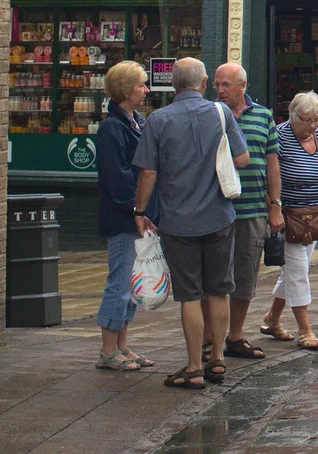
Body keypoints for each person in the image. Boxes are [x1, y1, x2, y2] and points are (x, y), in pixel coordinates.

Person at [132, 57, 250, 391]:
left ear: (173, 85)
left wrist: (140, 211)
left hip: (178, 221)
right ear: (203, 84)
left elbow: (148, 172)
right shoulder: (221, 113)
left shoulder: (157, 120)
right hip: (219, 216)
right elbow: (242, 159)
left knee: (190, 295)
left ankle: (195, 367)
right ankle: (219, 361)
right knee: (219, 288)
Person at [216, 63, 279, 362]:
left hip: (253, 208)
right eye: (216, 84)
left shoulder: (263, 116)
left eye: (226, 85)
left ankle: (235, 336)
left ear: (242, 85)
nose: (220, 90)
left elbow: (272, 163)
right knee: (214, 278)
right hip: (215, 209)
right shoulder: (211, 114)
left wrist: (275, 205)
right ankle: (209, 340)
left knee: (246, 276)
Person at [94, 59, 154, 371]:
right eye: (141, 84)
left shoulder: (134, 122)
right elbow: (117, 179)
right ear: (125, 90)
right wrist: (136, 210)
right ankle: (107, 350)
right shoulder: (111, 128)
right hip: (122, 219)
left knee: (131, 286)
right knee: (119, 282)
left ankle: (122, 346)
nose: (146, 89)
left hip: (136, 215)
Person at [260, 92, 318, 350]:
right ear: (293, 116)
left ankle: (272, 319)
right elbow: (269, 176)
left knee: (294, 270)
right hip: (288, 215)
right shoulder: (278, 135)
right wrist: (274, 210)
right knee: (298, 272)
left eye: (316, 120)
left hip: (314, 215)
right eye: (306, 120)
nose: (311, 126)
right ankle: (305, 329)